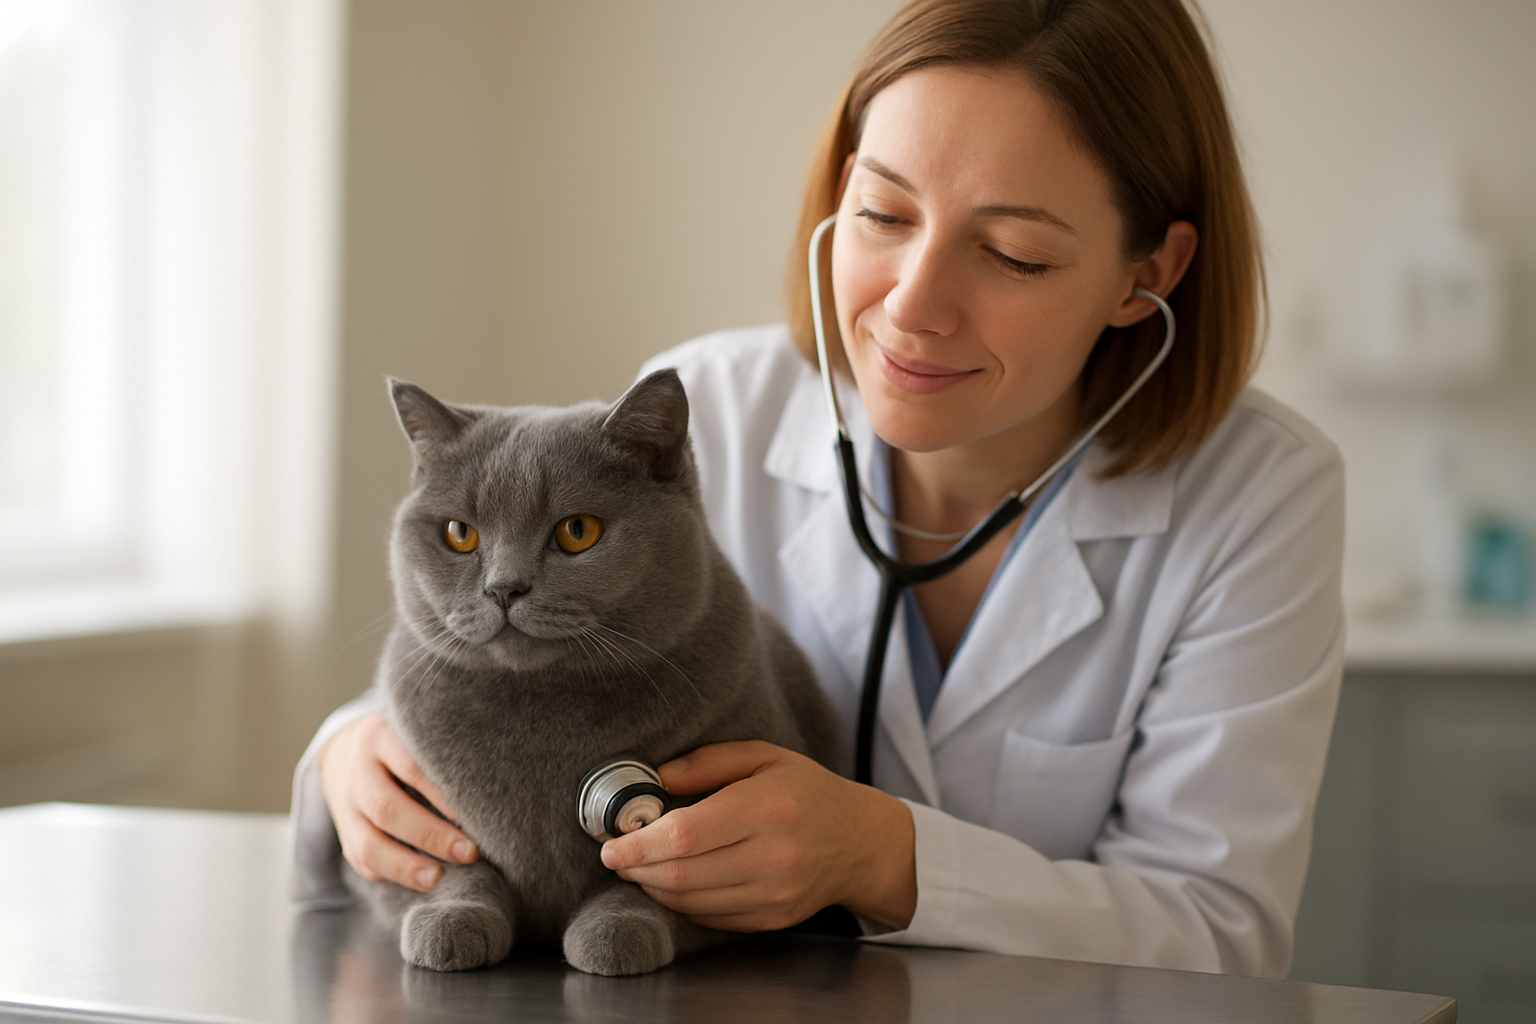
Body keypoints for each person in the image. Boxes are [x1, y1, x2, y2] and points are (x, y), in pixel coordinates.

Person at [291, 0, 1343, 978]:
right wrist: (350, 756)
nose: (913, 306)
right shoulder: (709, 404)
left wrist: (882, 858)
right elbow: (497, 646)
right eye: (884, 214)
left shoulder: (1257, 499)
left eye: (1014, 254)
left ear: (1145, 274)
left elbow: (1219, 933)